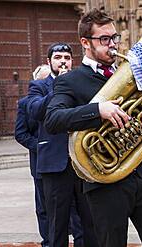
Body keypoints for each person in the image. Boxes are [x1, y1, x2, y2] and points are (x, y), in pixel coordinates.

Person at [44, 9, 142, 247]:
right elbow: (53, 119)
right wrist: (97, 111)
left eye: (115, 38)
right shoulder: (69, 80)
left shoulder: (132, 71)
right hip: (105, 183)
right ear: (85, 42)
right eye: (104, 39)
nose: (112, 45)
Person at [27, 42, 97, 247]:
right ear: (49, 62)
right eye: (58, 58)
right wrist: (59, 88)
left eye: (67, 58)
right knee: (57, 224)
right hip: (55, 165)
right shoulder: (38, 86)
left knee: (88, 222)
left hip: (83, 161)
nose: (63, 61)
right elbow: (35, 111)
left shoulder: (79, 82)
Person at [15, 96, 48, 246]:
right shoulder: (25, 103)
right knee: (43, 210)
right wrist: (41, 147)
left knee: (75, 211)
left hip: (66, 164)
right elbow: (21, 133)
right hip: (40, 164)